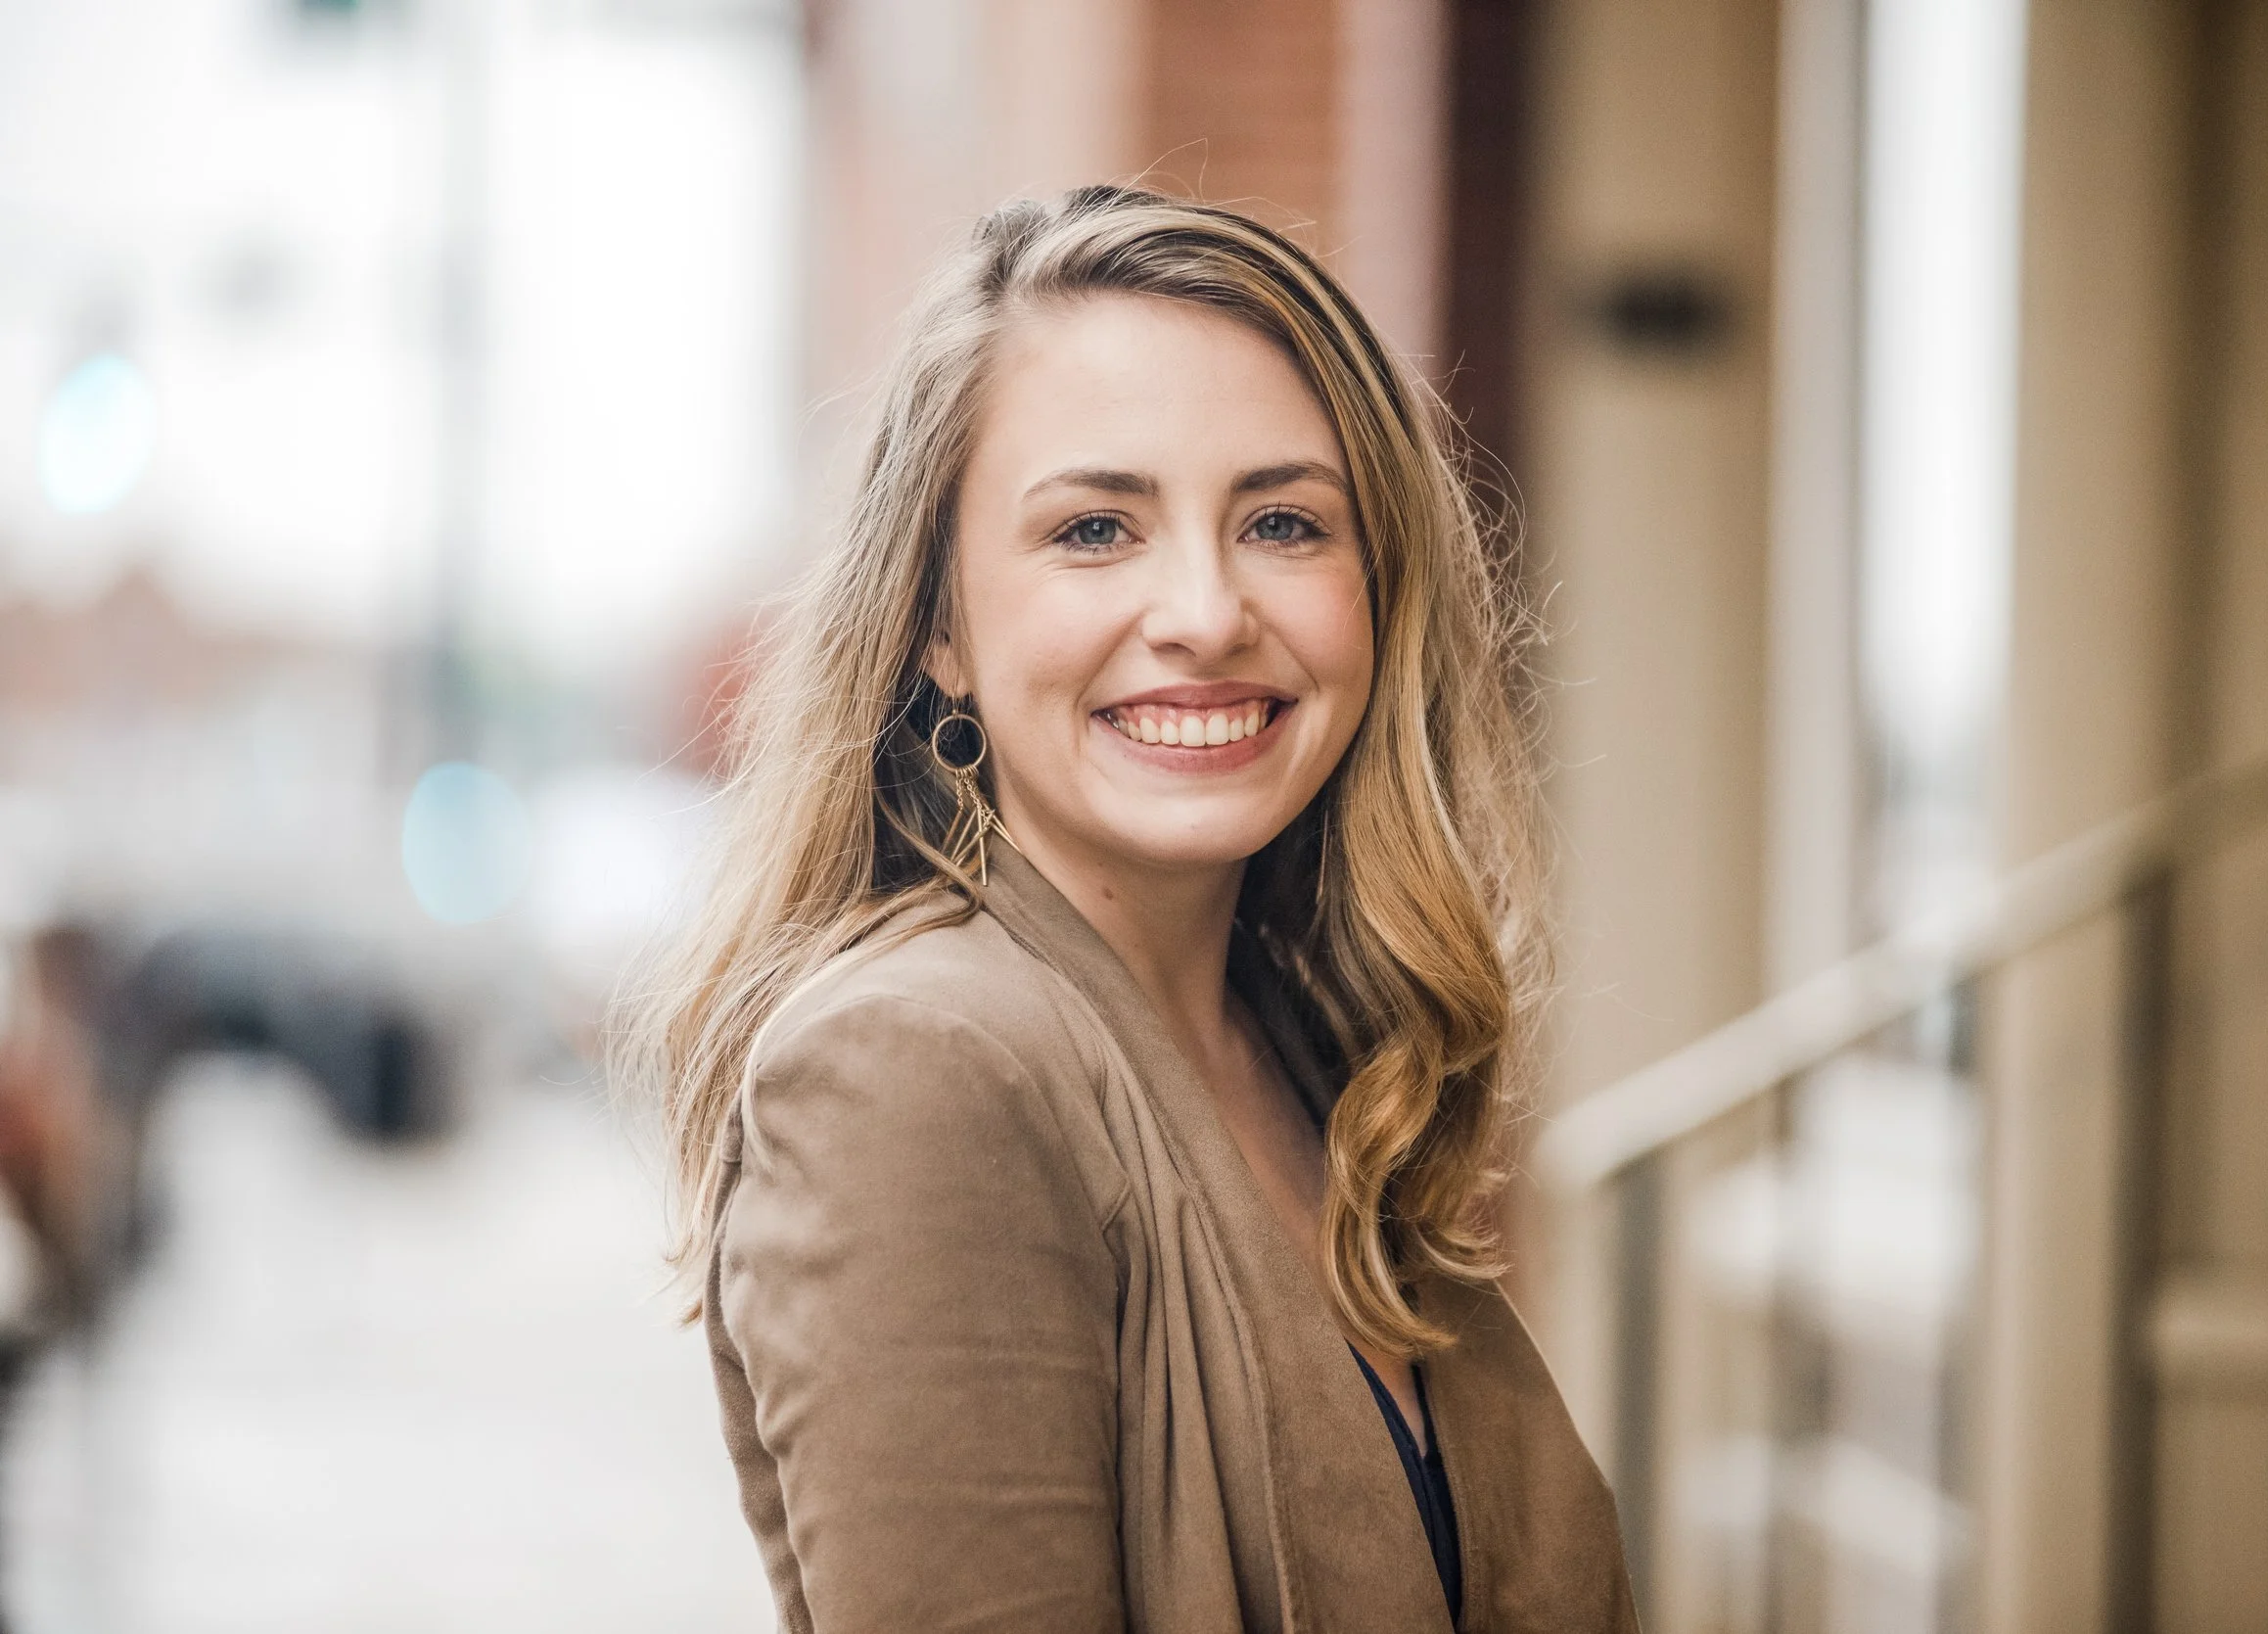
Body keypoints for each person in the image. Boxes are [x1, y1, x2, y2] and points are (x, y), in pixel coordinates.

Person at [625, 185, 1640, 1632]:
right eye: (1097, 530)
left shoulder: (1308, 1052)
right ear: (941, 629)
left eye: (1285, 522)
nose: (1209, 613)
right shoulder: (920, 1070)